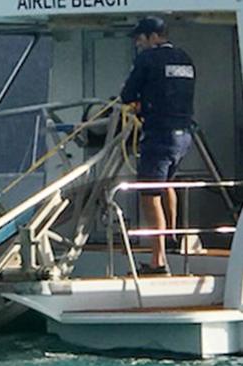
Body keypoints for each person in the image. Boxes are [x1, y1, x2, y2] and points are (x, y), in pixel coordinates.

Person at [120, 16, 196, 275]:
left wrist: (138, 104)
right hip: (184, 135)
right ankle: (172, 238)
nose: (138, 43)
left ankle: (158, 261)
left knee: (149, 194)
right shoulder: (185, 58)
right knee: (167, 185)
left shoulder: (147, 59)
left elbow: (127, 95)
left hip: (159, 135)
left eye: (140, 38)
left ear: (153, 36)